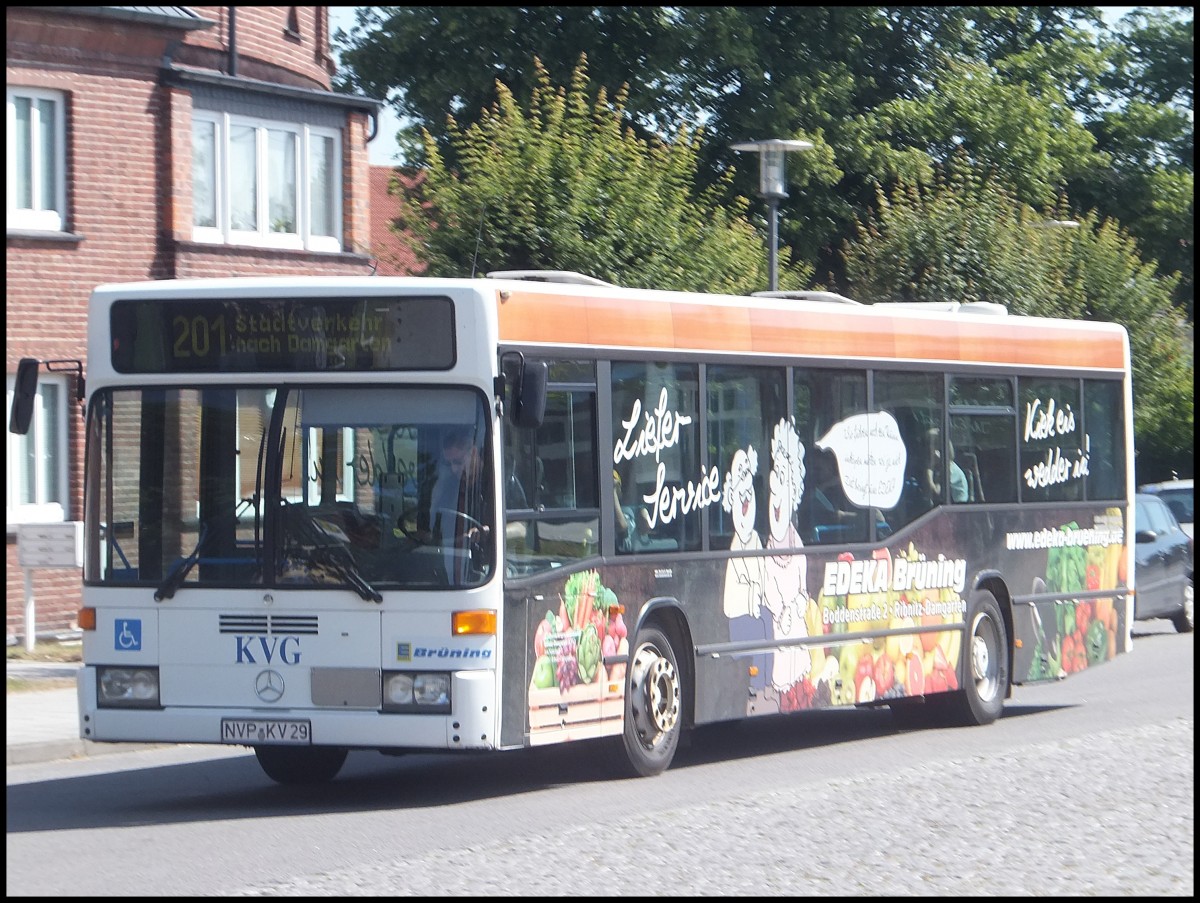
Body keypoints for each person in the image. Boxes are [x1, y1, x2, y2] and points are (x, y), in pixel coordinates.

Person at [429, 427, 488, 582]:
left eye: (458, 461)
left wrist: (490, 532)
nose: (455, 469)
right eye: (449, 464)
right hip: (449, 568)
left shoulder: (500, 482)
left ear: (474, 453)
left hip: (489, 568)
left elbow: (523, 528)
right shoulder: (448, 487)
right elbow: (434, 528)